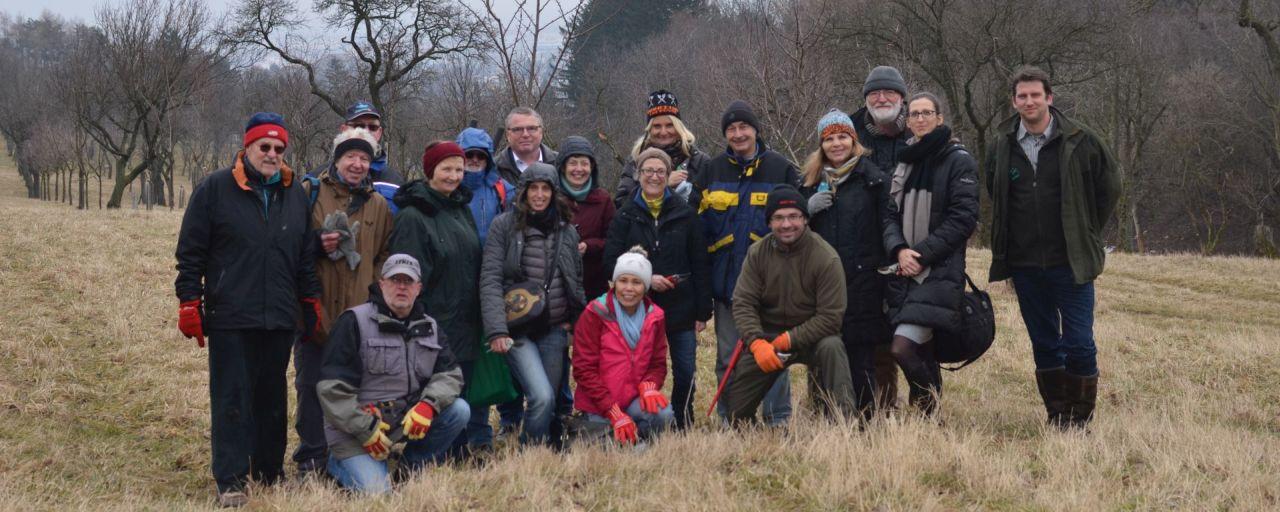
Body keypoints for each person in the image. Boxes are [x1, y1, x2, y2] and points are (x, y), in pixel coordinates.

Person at [174, 112, 321, 508]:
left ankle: (269, 472)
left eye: (278, 148)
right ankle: (232, 479)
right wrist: (190, 301)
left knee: (271, 397)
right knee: (232, 397)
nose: (272, 154)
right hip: (231, 315)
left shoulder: (295, 194)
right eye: (264, 147)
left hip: (278, 315)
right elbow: (191, 253)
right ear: (248, 147)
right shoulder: (215, 189)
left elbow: (305, 257)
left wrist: (309, 303)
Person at [985, 66, 1121, 429]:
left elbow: (1111, 186)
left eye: (1035, 95)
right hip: (1026, 265)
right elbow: (994, 190)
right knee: (1044, 342)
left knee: (1079, 343)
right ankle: (1057, 415)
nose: (1029, 101)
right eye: (1022, 96)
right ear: (1013, 102)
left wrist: (1087, 228)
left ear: (1049, 97)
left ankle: (1081, 417)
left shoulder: (1081, 139)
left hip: (1070, 263)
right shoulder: (1001, 145)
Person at [317, 254, 470, 494]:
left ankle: (410, 467)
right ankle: (337, 463)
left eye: (408, 282)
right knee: (378, 495)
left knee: (459, 410)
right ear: (381, 284)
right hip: (355, 431)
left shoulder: (430, 327)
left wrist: (428, 406)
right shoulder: (353, 321)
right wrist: (365, 429)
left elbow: (450, 375)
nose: (401, 286)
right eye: (395, 279)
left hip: (400, 423)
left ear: (418, 289)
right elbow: (331, 389)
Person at [292, 128, 395, 475]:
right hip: (314, 311)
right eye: (350, 156)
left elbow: (384, 253)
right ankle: (311, 456)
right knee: (311, 386)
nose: (357, 163)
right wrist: (317, 243)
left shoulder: (378, 204)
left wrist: (373, 286)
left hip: (359, 317)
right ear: (336, 159)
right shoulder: (309, 193)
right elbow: (289, 246)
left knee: (356, 388)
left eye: (364, 157)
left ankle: (347, 454)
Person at [696, 99, 799, 425]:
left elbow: (796, 225)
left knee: (771, 353)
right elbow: (696, 229)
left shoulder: (780, 169)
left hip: (771, 284)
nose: (738, 134)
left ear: (757, 130)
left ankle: (777, 420)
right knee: (728, 356)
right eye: (731, 129)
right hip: (726, 285)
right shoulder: (710, 171)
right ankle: (731, 420)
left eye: (744, 127)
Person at [798, 109, 898, 423]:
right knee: (824, 351)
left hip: (865, 282)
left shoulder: (873, 179)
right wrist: (806, 210)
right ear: (821, 145)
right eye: (829, 139)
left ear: (854, 141)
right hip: (822, 284)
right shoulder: (810, 183)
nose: (836, 144)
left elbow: (887, 226)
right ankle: (827, 414)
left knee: (863, 354)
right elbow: (790, 230)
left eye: (843, 137)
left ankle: (870, 417)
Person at [884, 92, 980, 418]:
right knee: (921, 346)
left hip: (938, 270)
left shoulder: (958, 160)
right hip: (903, 268)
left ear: (940, 118)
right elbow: (889, 215)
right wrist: (899, 250)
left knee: (903, 346)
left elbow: (963, 219)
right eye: (914, 114)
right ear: (908, 121)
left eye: (927, 113)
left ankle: (926, 408)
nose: (920, 119)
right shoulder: (906, 159)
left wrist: (920, 255)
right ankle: (929, 419)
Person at [724, 185, 855, 423]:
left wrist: (789, 339)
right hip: (768, 338)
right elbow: (743, 303)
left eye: (794, 216)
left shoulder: (825, 257)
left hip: (812, 339)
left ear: (805, 219)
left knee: (832, 347)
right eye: (778, 218)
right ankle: (745, 430)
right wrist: (755, 342)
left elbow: (830, 317)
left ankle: (844, 422)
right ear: (769, 222)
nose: (786, 224)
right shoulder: (757, 253)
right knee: (736, 413)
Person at [603, 147, 712, 430]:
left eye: (660, 171)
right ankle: (645, 420)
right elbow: (611, 262)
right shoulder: (625, 215)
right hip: (638, 308)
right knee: (640, 370)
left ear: (668, 175)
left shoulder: (685, 213)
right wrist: (646, 279)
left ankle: (682, 420)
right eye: (648, 171)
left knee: (686, 371)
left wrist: (703, 310)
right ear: (638, 175)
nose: (654, 176)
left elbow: (700, 261)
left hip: (682, 305)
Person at [479, 163, 586, 446]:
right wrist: (497, 330)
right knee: (542, 396)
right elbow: (490, 278)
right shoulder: (503, 225)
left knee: (548, 402)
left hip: (554, 328)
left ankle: (533, 449)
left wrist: (574, 323)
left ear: (554, 192)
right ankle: (530, 450)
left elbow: (575, 279)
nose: (539, 195)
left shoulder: (566, 230)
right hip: (517, 329)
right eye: (533, 189)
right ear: (523, 192)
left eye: (545, 189)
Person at [388, 141, 486, 448]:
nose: (454, 175)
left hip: (465, 318)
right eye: (446, 168)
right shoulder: (413, 216)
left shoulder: (461, 208)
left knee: (461, 386)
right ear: (430, 170)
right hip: (432, 320)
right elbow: (406, 276)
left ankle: (457, 451)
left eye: (459, 169)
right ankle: (427, 453)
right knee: (435, 390)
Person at [851, 65, 912, 410]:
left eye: (889, 92)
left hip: (911, 246)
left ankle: (921, 403)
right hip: (864, 246)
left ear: (902, 98)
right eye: (874, 93)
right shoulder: (850, 131)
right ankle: (880, 403)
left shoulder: (919, 130)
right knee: (872, 329)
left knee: (910, 330)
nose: (882, 98)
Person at [573, 248, 676, 444]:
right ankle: (626, 438)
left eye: (636, 282)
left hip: (633, 398)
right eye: (623, 280)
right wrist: (613, 411)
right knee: (607, 447)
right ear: (614, 282)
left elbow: (658, 363)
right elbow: (583, 369)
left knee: (664, 415)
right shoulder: (595, 312)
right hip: (600, 404)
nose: (628, 288)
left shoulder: (655, 316)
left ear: (646, 286)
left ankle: (639, 439)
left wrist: (649, 386)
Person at [612, 90, 710, 207]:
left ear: (678, 127)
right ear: (649, 129)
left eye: (670, 125)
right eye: (657, 126)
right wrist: (662, 185)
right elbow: (622, 203)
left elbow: (709, 205)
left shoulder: (700, 161)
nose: (663, 132)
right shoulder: (635, 161)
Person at [311, 101, 406, 212]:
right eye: (358, 126)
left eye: (372, 127)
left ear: (379, 133)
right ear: (344, 130)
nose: (366, 131)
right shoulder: (315, 180)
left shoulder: (395, 183)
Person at [556, 135, 615, 300]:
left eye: (584, 163)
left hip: (594, 285)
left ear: (592, 167)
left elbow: (613, 240)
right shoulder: (550, 197)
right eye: (573, 163)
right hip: (557, 286)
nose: (579, 169)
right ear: (562, 167)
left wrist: (589, 246)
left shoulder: (603, 199)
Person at [457, 126, 513, 247]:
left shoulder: (504, 190)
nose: (475, 160)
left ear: (488, 160)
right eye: (470, 154)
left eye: (481, 156)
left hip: (490, 261)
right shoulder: (447, 187)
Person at [494, 106, 559, 187]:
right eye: (518, 129)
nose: (525, 134)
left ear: (541, 132)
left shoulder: (561, 163)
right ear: (508, 135)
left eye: (531, 128)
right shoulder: (494, 169)